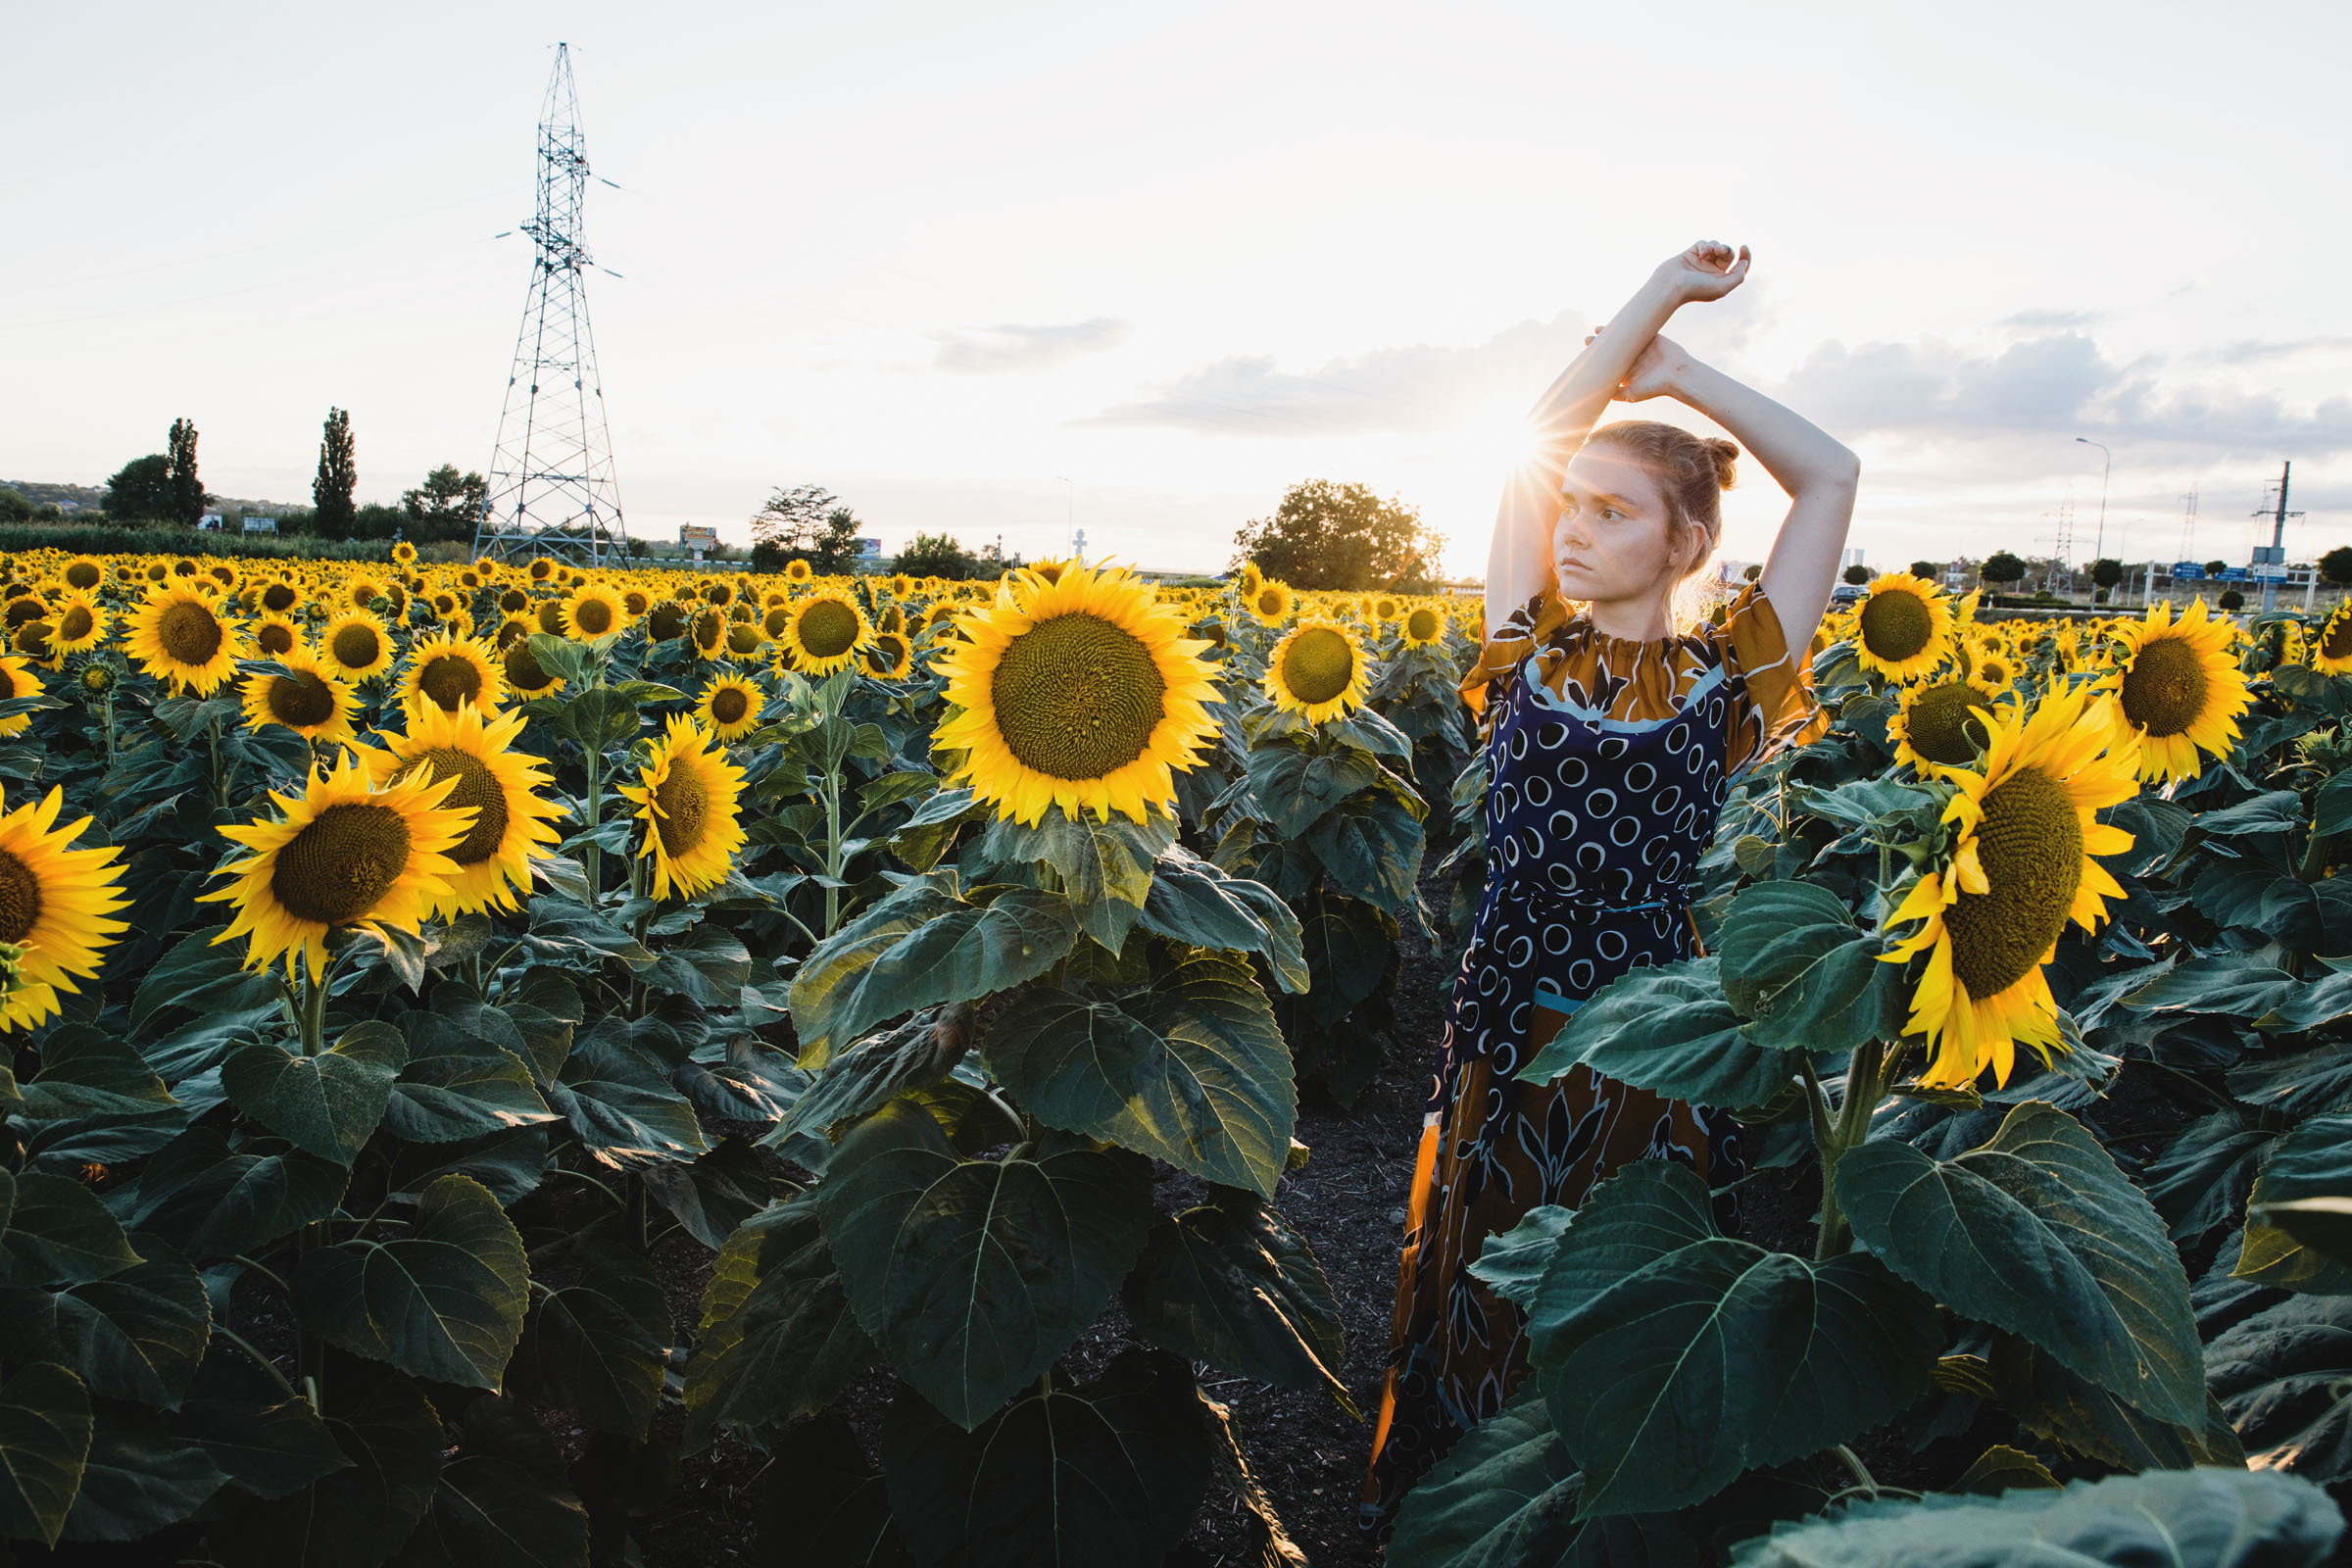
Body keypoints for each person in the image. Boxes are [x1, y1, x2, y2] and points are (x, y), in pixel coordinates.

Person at [1362, 240, 1859, 1528]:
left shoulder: (1735, 675)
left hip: (1651, 1048)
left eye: (1614, 512)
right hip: (1510, 1030)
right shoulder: (1525, 646)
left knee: (1619, 1309)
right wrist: (1654, 291)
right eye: (1570, 507)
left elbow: (1832, 475)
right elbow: (1538, 434)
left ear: (1690, 540)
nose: (1575, 530)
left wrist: (1687, 374)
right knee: (1481, 1286)